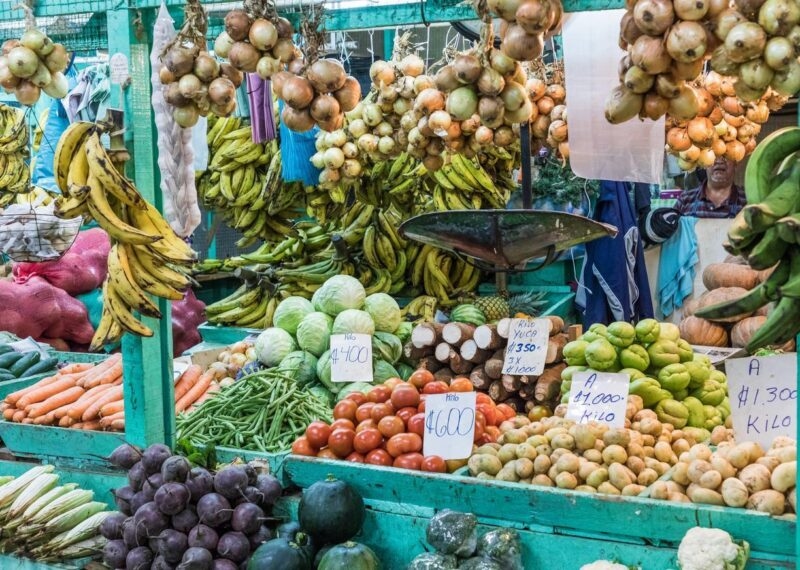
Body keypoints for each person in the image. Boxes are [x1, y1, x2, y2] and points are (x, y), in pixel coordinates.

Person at [674, 157, 746, 218]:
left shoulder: (747, 202)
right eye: (713, 155)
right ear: (704, 164)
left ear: (735, 163)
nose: (719, 161)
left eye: (725, 155)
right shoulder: (685, 200)